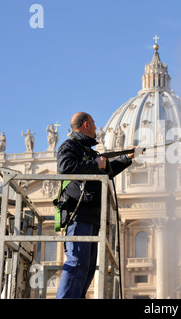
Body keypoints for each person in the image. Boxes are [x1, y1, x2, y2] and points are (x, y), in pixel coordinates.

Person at [56, 112, 135, 299]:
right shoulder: (70, 146)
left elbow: (106, 171)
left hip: (92, 216)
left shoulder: (89, 151)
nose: (95, 125)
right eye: (92, 122)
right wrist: (94, 164)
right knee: (77, 263)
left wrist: (128, 157)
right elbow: (65, 167)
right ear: (86, 125)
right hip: (78, 213)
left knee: (89, 267)